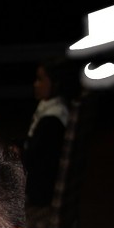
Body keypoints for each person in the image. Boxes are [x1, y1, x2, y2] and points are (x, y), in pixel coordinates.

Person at [24, 58, 78, 206]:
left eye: (40, 80)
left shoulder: (52, 120)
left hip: (41, 192)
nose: (36, 84)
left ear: (56, 83)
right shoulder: (51, 106)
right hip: (39, 180)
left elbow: (34, 160)